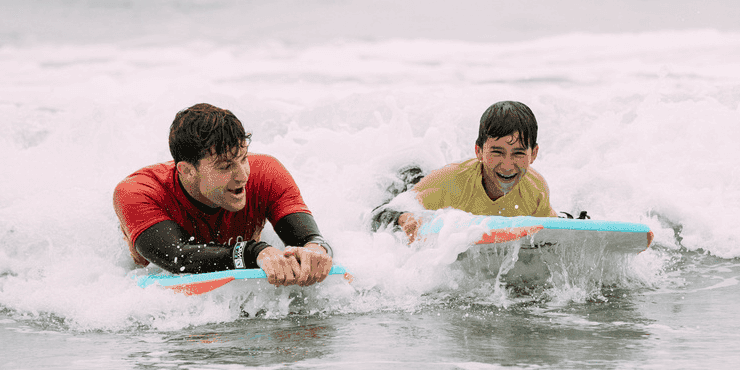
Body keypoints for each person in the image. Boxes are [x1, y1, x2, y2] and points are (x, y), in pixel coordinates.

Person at [114, 103, 333, 286]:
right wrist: (254, 252)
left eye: (243, 158)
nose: (242, 176)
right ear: (187, 171)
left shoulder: (266, 172)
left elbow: (311, 240)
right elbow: (178, 258)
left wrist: (314, 251)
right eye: (225, 166)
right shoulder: (138, 192)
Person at [371, 101, 555, 242]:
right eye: (497, 152)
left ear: (534, 154)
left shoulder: (536, 189)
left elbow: (556, 231)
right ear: (479, 151)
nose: (507, 165)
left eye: (518, 153)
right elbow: (377, 215)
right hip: (417, 185)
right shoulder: (449, 183)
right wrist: (403, 218)